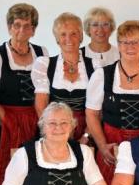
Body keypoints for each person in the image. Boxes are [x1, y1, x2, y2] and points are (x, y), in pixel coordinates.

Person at [86, 20, 139, 185]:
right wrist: (102, 146)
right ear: (119, 46)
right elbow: (91, 114)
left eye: (136, 42)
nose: (131, 47)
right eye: (125, 42)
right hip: (111, 145)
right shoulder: (102, 75)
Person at [0, 3, 49, 185]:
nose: (22, 30)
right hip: (6, 122)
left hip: (36, 120)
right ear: (9, 27)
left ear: (34, 29)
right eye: (17, 25)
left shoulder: (42, 52)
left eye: (28, 26)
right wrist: (10, 125)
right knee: (7, 173)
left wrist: (41, 122)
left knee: (36, 169)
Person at [33, 12, 97, 142]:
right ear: (57, 39)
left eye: (74, 33)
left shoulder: (95, 66)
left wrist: (85, 136)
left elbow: (98, 108)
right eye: (63, 34)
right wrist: (55, 133)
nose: (69, 39)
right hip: (54, 130)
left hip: (87, 130)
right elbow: (41, 106)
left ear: (81, 36)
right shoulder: (44, 65)